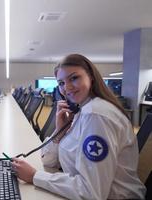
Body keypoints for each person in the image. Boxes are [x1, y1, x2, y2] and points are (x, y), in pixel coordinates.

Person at [12, 54, 146, 199]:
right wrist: (59, 131)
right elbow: (48, 161)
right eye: (61, 83)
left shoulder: (95, 114)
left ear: (91, 77)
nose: (67, 87)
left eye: (74, 78)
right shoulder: (82, 110)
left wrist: (35, 176)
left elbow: (91, 193)